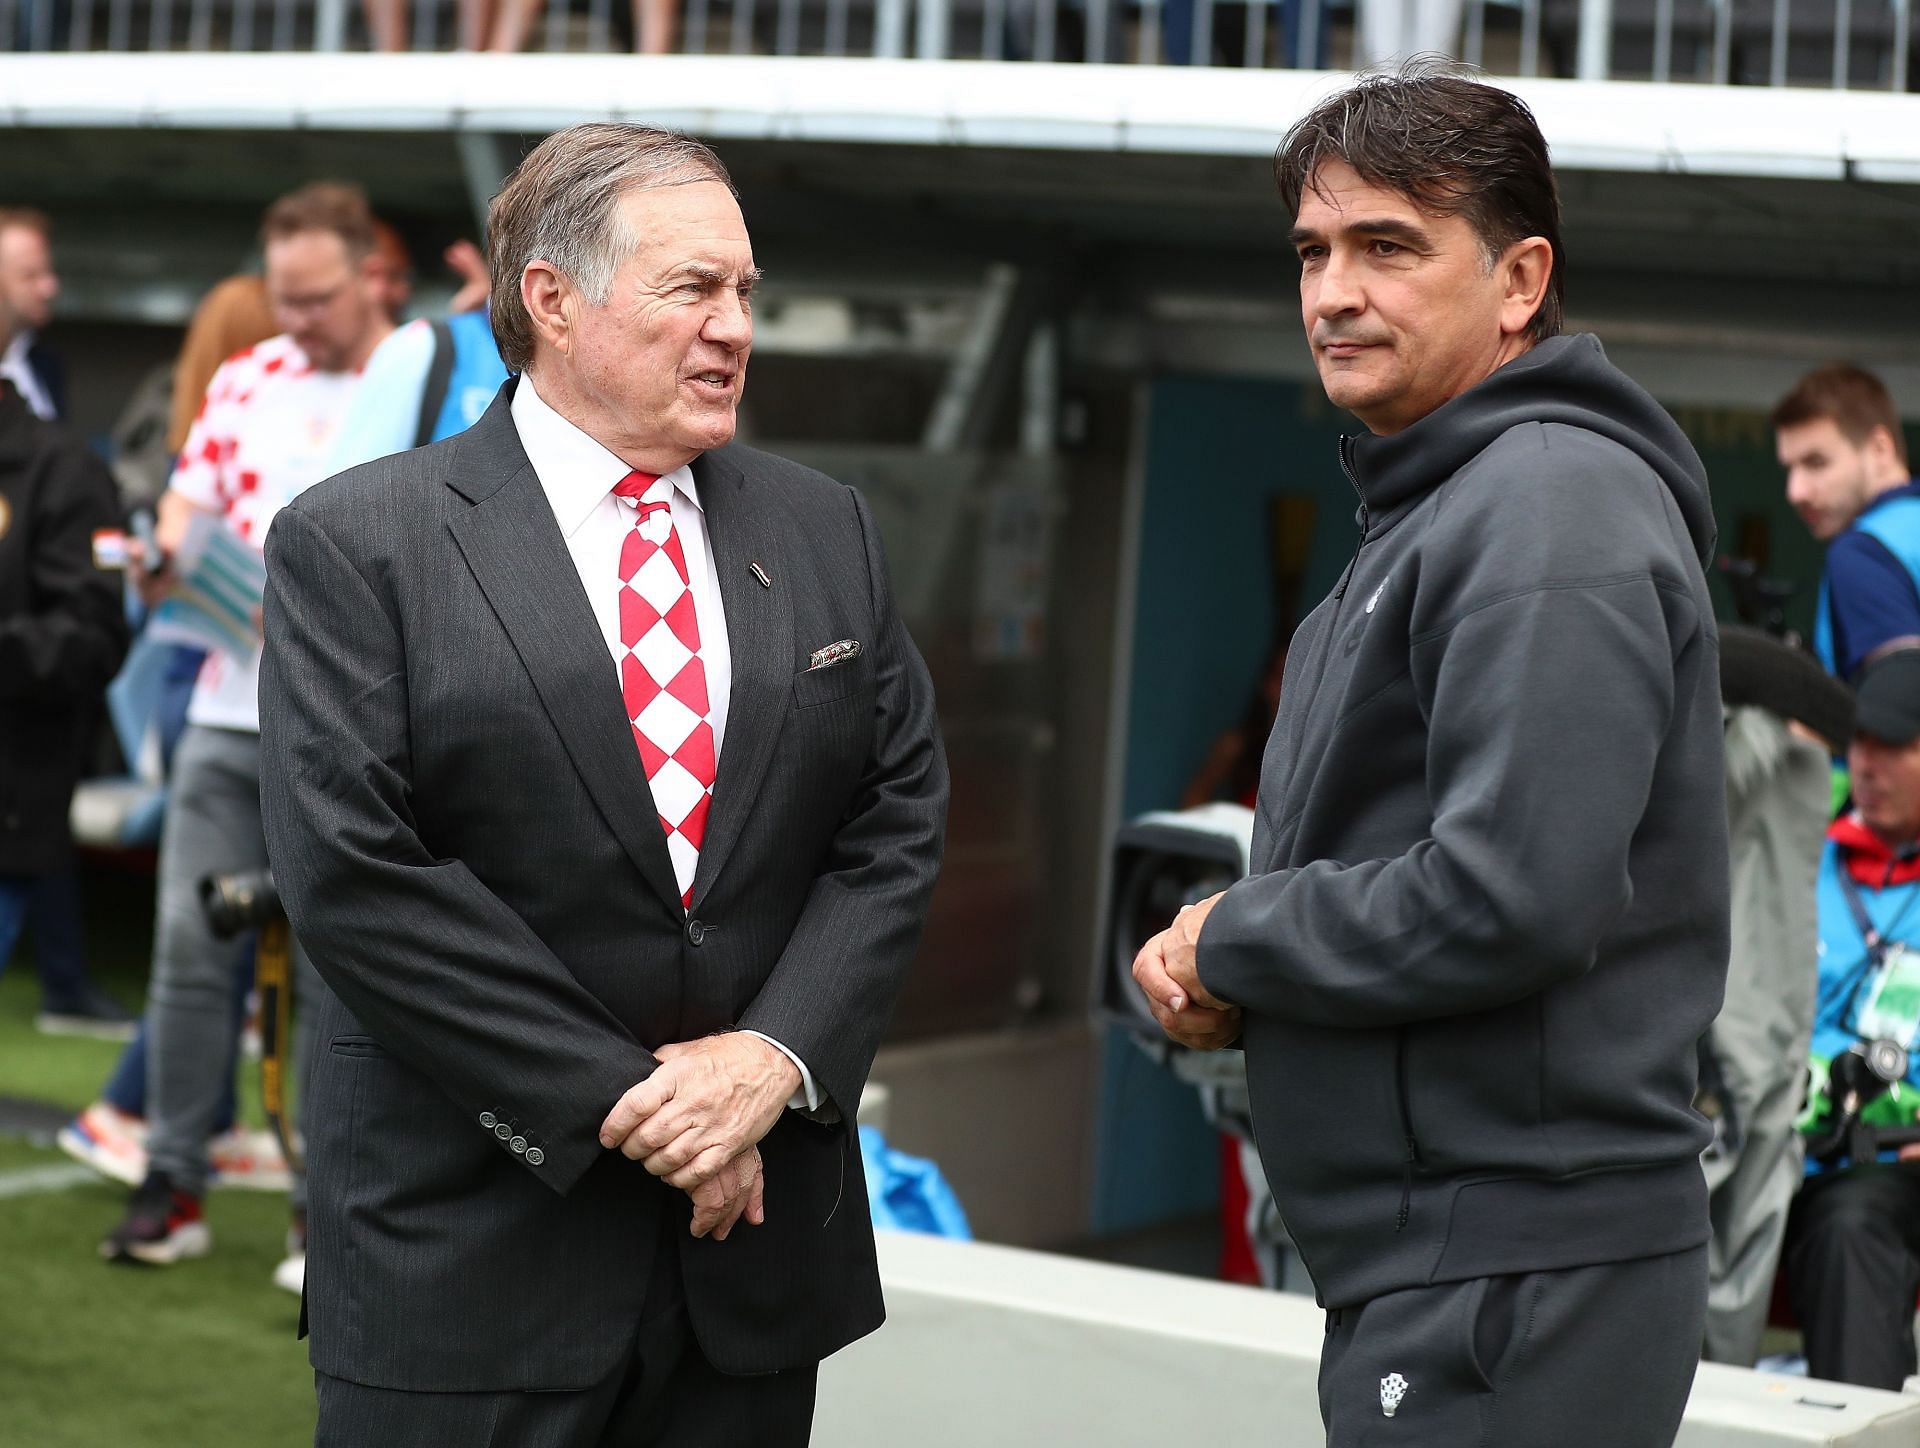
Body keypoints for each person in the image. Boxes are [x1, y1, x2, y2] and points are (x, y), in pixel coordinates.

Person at [257, 123, 947, 1446]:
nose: (735, 327)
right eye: (692, 288)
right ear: (551, 300)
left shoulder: (824, 527)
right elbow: (358, 872)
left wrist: (772, 1060)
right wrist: (640, 1107)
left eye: (746, 291)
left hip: (745, 1289)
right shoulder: (362, 544)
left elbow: (896, 814)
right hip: (465, 1270)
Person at [1133, 65, 1728, 1447]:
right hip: (1457, 1257)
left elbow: (1510, 889)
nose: (1334, 292)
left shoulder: (1549, 508)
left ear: (1519, 280)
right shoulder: (1452, 500)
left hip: (1513, 1267)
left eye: (1388, 247)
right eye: (1313, 252)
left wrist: (1241, 943)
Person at [99, 181, 395, 1288]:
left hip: (351, 730)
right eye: (284, 296)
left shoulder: (407, 376)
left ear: (367, 274)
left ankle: (326, 1217)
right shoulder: (247, 375)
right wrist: (166, 555)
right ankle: (169, 1181)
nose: (299, 318)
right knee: (187, 953)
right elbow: (188, 501)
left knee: (337, 969)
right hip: (228, 707)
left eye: (317, 297)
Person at [0, 204, 135, 1038]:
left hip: (17, 786)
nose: (47, 289)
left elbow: (92, 633)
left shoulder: (61, 467)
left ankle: (69, 985)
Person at [1701, 626, 1850, 1366]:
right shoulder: (1772, 752)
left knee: (1743, 1182)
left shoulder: (1790, 758)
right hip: (1735, 1027)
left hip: (1750, 1030)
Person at [1784, 647, 1920, 1390]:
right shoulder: (1802, 850)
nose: (1867, 764)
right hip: (1800, 1155)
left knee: (1851, 1228)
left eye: (1894, 745)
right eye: (1858, 741)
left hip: (1896, 1167)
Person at [1774, 363, 1919, 682]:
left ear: (1880, 449)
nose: (1795, 492)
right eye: (1789, 469)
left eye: (1816, 463)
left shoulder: (1864, 552)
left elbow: (1898, 720)